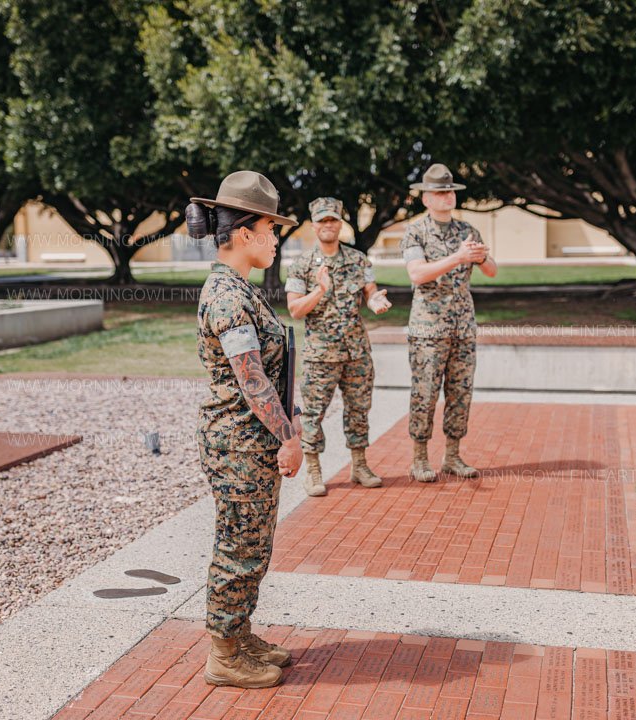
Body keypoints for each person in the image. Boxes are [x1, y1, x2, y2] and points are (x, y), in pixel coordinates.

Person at [191, 170, 303, 689]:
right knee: (239, 547)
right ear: (244, 233)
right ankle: (223, 653)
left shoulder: (241, 289)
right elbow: (252, 380)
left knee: (254, 544)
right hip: (239, 443)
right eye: (271, 228)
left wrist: (288, 424)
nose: (276, 239)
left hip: (250, 442)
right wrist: (289, 437)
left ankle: (238, 634)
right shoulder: (228, 297)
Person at [285, 197, 392, 496]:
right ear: (313, 225)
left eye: (333, 220)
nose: (328, 225)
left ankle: (359, 465)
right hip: (320, 355)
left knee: (359, 410)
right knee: (313, 413)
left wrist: (376, 301)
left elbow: (370, 292)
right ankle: (314, 470)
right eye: (322, 220)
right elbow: (295, 310)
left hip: (356, 351)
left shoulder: (358, 260)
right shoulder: (302, 265)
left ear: (340, 223)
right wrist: (321, 289)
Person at [400, 163, 497, 482]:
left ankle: (452, 456)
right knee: (425, 393)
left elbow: (493, 270)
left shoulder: (468, 231)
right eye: (440, 193)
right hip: (428, 329)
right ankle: (419, 459)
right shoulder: (415, 231)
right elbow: (417, 273)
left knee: (460, 392)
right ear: (425, 198)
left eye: (450, 192)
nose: (446, 197)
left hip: (462, 327)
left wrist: (481, 257)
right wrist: (458, 257)